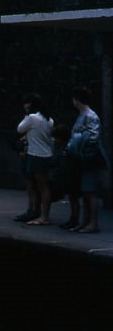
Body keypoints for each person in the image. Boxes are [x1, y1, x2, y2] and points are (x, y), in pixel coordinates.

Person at [63, 85, 105, 233]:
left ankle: (93, 223)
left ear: (76, 99)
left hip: (87, 158)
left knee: (90, 191)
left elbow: (93, 137)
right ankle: (85, 222)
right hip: (81, 157)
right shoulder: (84, 115)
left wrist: (81, 148)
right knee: (85, 191)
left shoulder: (90, 116)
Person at [16, 94, 55, 224]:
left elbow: (20, 128)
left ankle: (42, 216)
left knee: (37, 186)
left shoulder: (32, 118)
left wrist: (27, 115)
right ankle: (39, 213)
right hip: (46, 154)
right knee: (41, 186)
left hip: (35, 155)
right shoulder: (49, 120)